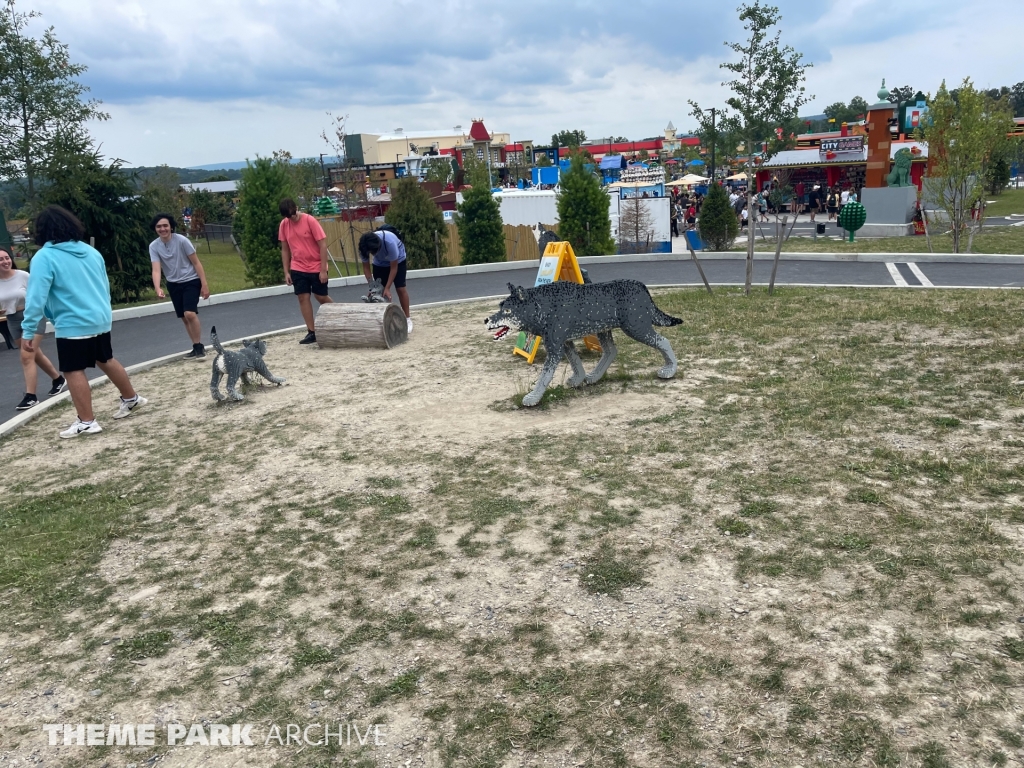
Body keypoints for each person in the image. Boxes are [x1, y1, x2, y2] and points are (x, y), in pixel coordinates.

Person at [21, 206, 146, 438]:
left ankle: (86, 421)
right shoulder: (90, 251)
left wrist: (28, 330)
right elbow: (104, 285)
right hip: (99, 317)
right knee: (104, 358)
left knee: (72, 369)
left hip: (73, 322)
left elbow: (36, 296)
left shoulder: (44, 257)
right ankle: (131, 398)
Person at [0, 246, 65, 410]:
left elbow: (39, 295)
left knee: (26, 355)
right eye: (1, 259)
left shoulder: (23, 276)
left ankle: (31, 396)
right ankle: (58, 379)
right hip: (12, 320)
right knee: (35, 354)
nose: (5, 261)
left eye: (7, 258)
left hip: (32, 316)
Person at [149, 213, 210, 359]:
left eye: (165, 225)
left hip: (191, 281)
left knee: (190, 313)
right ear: (155, 229)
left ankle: (200, 348)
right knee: (184, 317)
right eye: (159, 226)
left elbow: (196, 262)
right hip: (173, 284)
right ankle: (195, 346)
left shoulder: (182, 241)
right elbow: (156, 269)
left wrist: (204, 284)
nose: (162, 229)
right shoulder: (154, 246)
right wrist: (158, 287)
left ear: (171, 227)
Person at [278, 198, 333, 344]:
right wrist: (286, 271)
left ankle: (339, 315)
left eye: (294, 213)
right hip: (298, 266)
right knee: (303, 297)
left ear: (297, 208)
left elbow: (322, 245)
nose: (293, 217)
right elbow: (285, 249)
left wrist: (323, 270)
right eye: (289, 216)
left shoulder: (310, 221)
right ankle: (312, 331)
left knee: (321, 297)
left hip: (316, 265)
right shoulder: (284, 225)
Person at [358, 229, 413, 333]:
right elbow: (366, 268)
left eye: (373, 252)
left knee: (400, 288)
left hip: (398, 261)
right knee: (378, 293)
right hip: (380, 264)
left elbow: (394, 268)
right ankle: (384, 321)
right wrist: (372, 286)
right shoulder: (363, 247)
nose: (373, 254)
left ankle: (407, 319)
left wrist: (387, 288)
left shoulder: (389, 242)